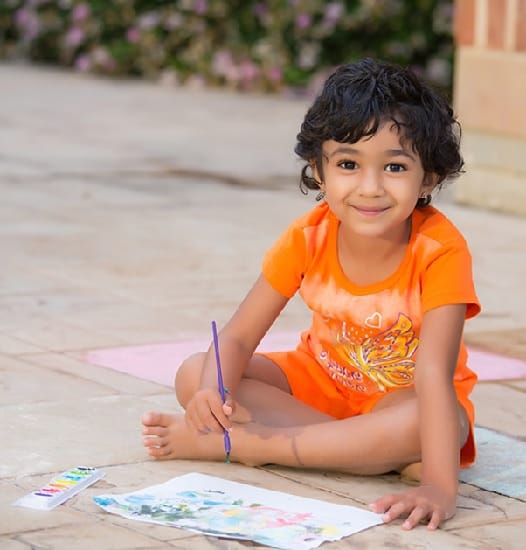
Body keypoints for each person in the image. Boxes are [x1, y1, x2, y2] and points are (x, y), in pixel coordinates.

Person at [141, 58, 480, 531]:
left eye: (395, 166)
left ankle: (253, 448)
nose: (370, 187)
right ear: (318, 170)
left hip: (401, 401)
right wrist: (209, 393)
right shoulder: (308, 236)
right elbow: (237, 338)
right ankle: (366, 453)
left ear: (429, 178)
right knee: (194, 371)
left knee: (426, 426)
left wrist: (440, 487)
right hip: (318, 383)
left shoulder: (440, 250)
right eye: (347, 164)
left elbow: (433, 374)